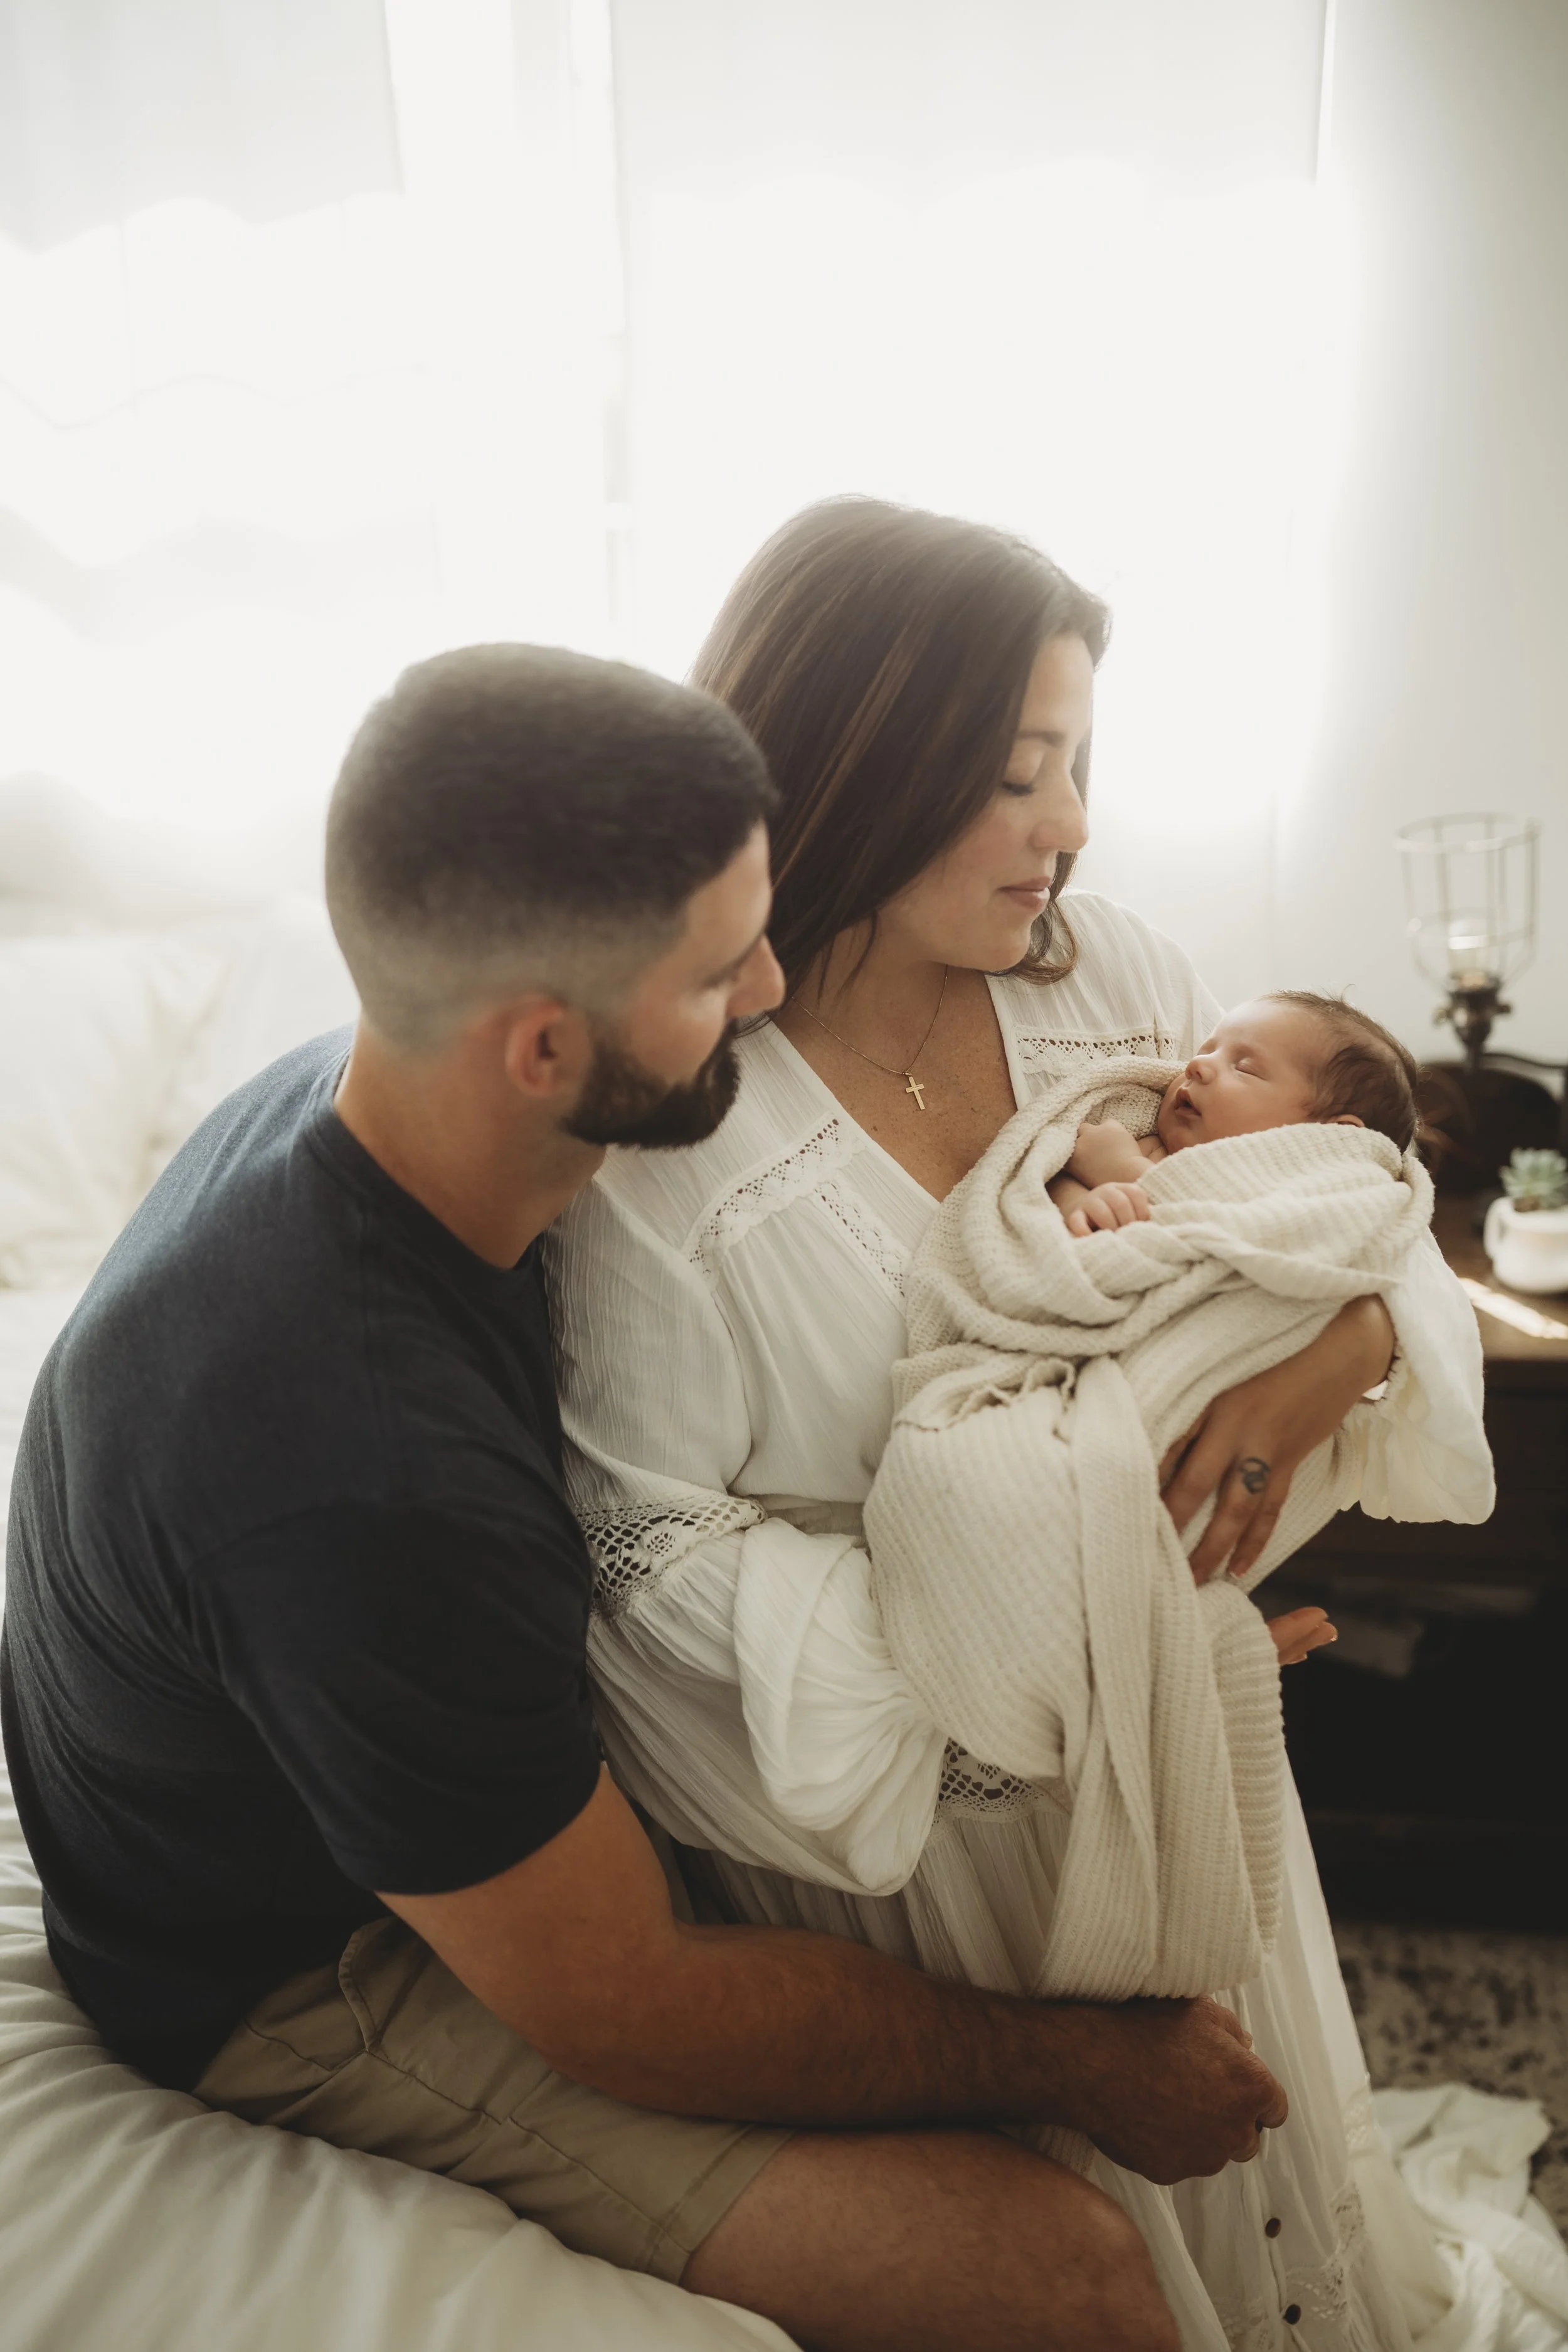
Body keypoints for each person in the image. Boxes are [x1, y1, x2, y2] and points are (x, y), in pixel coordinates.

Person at [3, 644, 1303, 2352]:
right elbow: (625, 2001)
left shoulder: (412, 1100)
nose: (771, 985)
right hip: (299, 1966)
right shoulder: (362, 1472)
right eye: (720, 968)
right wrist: (1081, 2057)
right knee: (1061, 2274)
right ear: (545, 1044)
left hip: (415, 1781)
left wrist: (1321, 1312)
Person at [548, 502, 1500, 2351]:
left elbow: (1339, 1192)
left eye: (1077, 766)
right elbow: (644, 1541)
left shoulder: (1115, 979)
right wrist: (1032, 1643)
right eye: (1013, 775)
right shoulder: (680, 1126)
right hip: (931, 1836)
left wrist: (1351, 1343)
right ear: (851, 757)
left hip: (1181, 1758)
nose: (1067, 823)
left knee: (1274, 2196)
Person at [1050, 992, 1419, 1235]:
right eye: (1206, 1050)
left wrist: (1121, 1172)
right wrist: (1079, 1202)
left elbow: (1241, 1229)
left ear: (1330, 1138)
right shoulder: (1142, 1140)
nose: (1196, 1064)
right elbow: (1042, 1190)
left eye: (1244, 1067)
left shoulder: (1309, 1190)